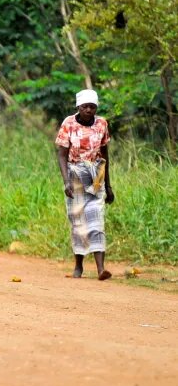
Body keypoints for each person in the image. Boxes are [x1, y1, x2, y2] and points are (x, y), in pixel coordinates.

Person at [55, 89, 114, 280]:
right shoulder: (68, 124)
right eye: (85, 107)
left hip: (96, 174)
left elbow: (105, 154)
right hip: (75, 174)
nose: (89, 110)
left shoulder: (102, 124)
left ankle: (100, 269)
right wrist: (66, 182)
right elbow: (62, 155)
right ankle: (78, 266)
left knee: (97, 219)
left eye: (92, 107)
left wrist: (108, 186)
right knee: (78, 221)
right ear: (78, 107)